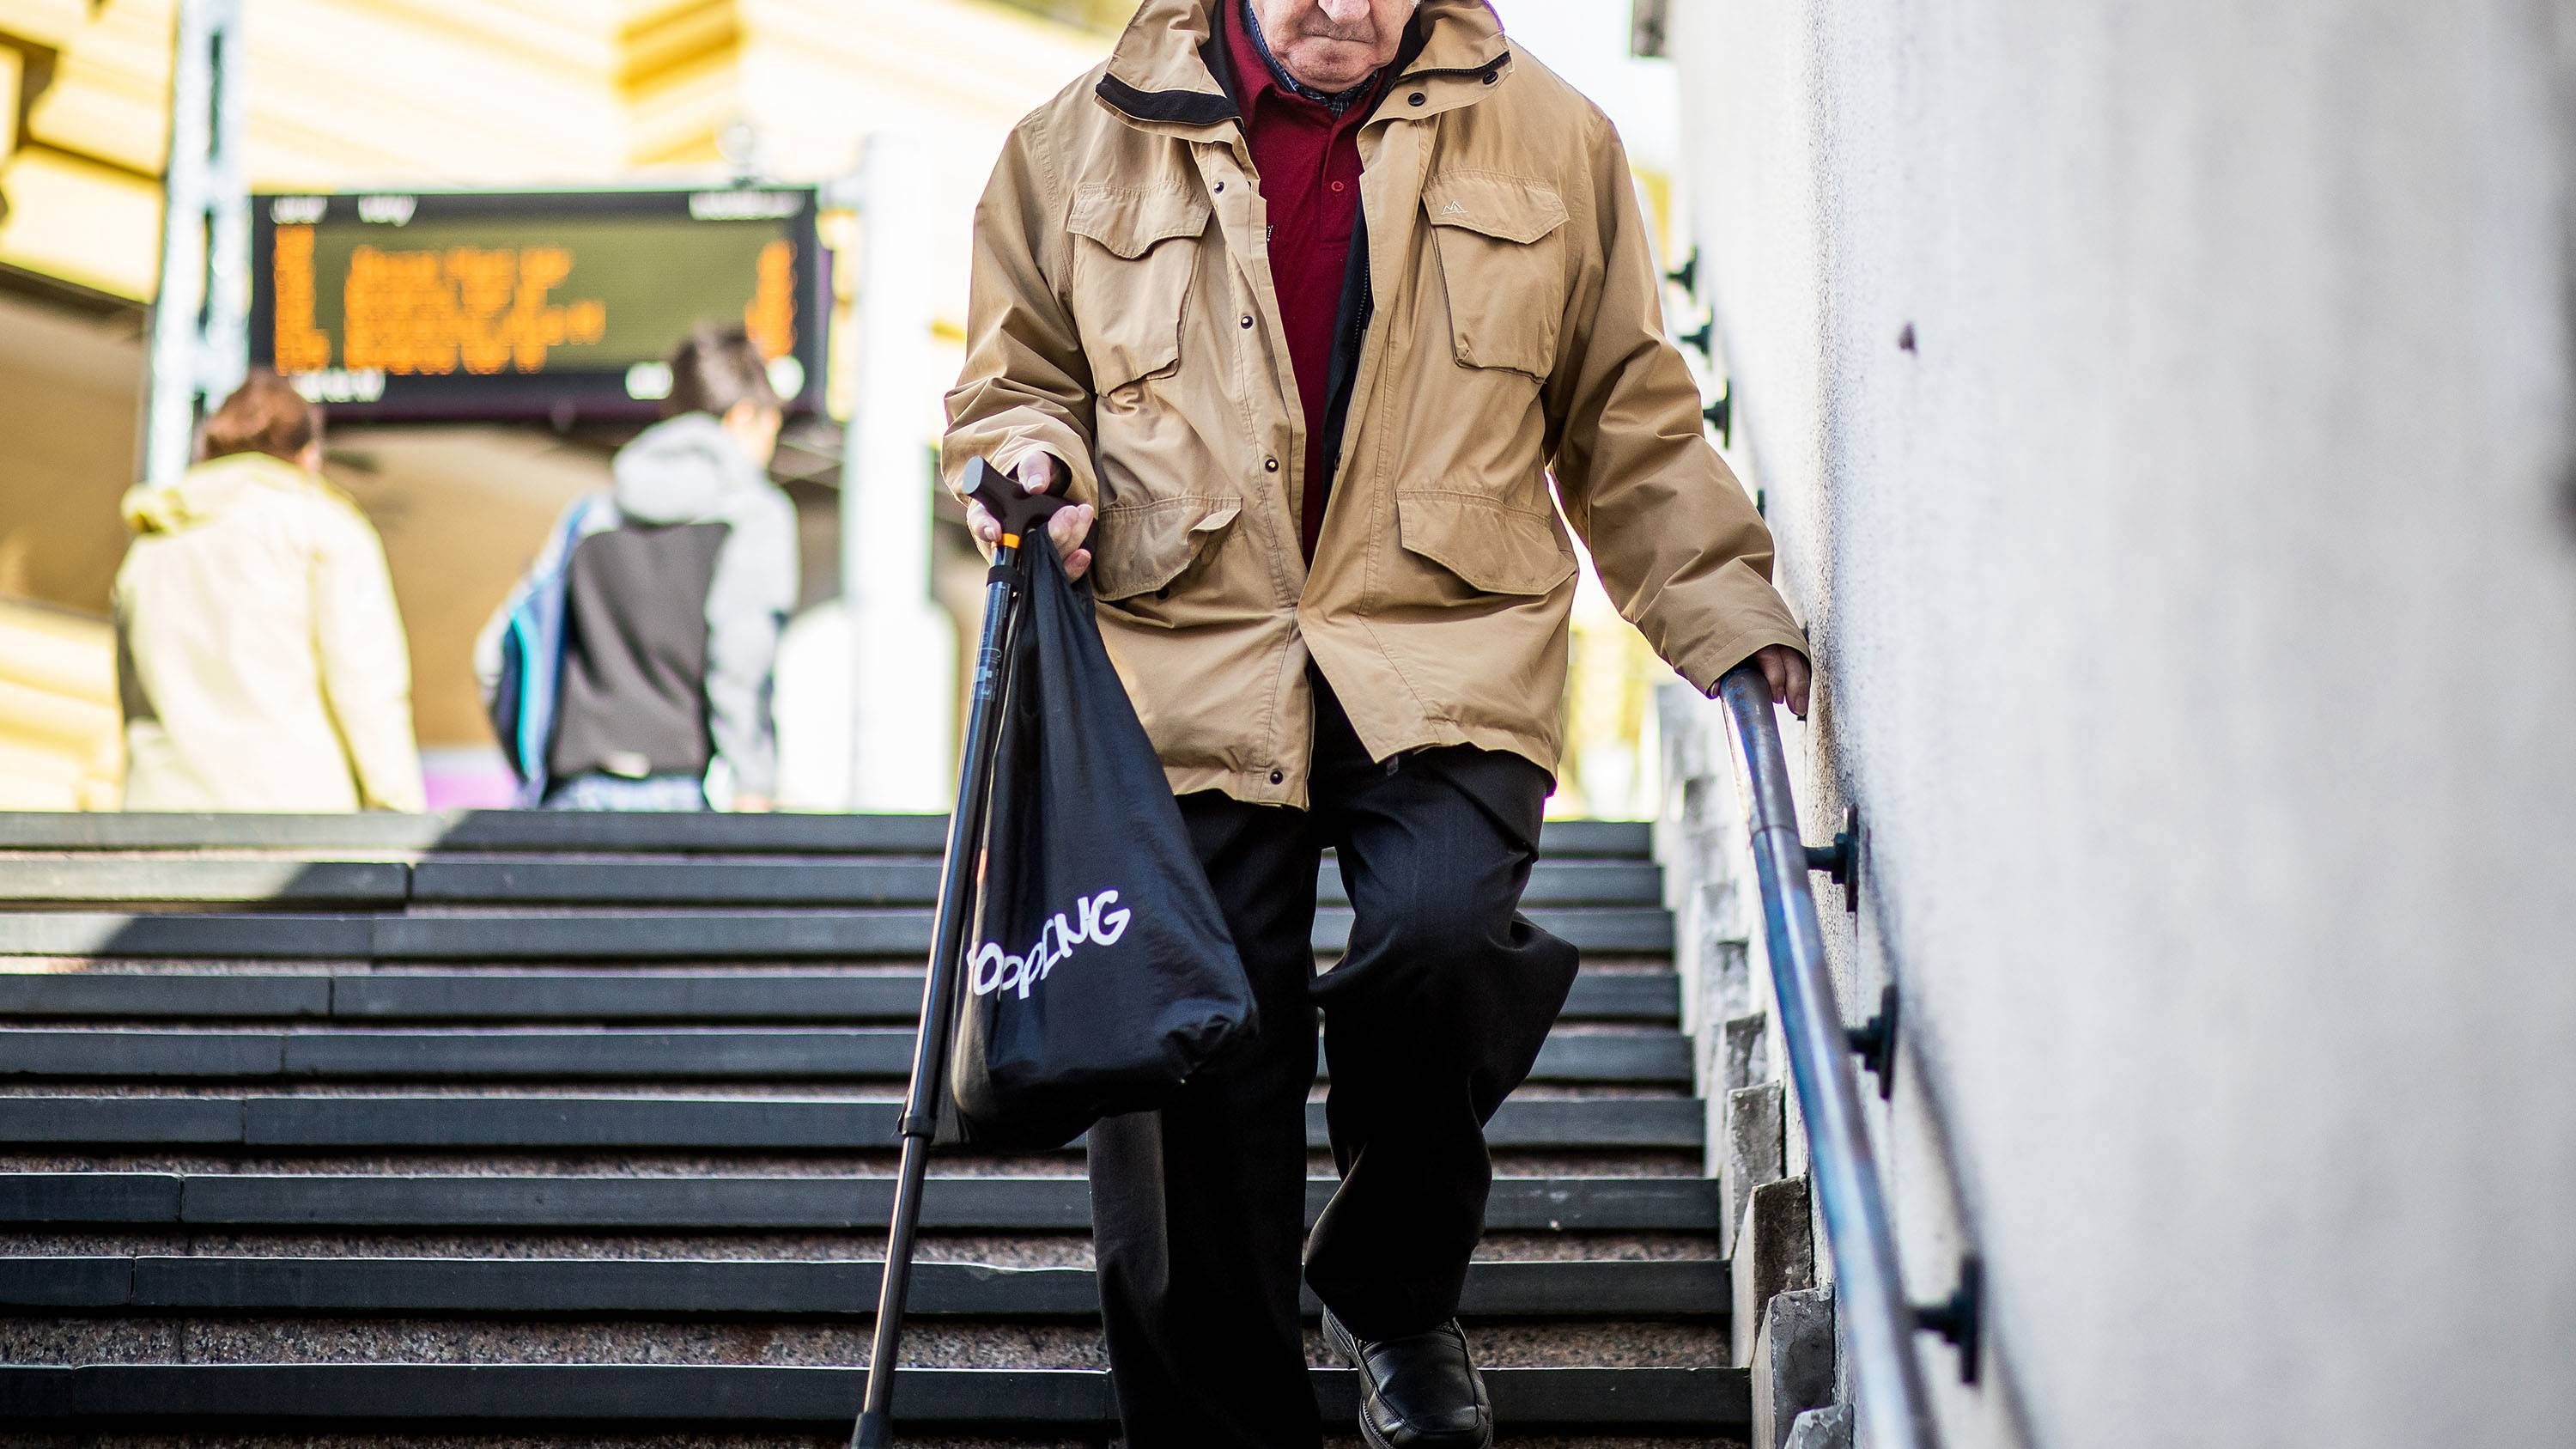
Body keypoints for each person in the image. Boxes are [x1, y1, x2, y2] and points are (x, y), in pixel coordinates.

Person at [946, 1, 1815, 1446]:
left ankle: (1393, 1294)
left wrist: (1726, 614)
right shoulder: (1074, 143)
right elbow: (1013, 378)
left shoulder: (1555, 139)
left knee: (1443, 935)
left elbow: (1628, 414)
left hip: (1441, 640)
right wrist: (1028, 456)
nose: (1342, 8)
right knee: (1191, 1062)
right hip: (1187, 649)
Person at [478, 325, 798, 812]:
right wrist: (754, 785)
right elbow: (740, 662)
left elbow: (496, 656)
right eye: (771, 430)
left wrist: (533, 766)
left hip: (569, 798)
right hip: (676, 800)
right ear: (744, 416)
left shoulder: (588, 519)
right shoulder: (754, 513)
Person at [113, 370, 424, 813]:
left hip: (158, 824)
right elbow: (366, 688)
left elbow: (132, 700)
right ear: (308, 456)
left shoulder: (150, 549)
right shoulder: (324, 530)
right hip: (289, 831)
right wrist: (400, 814)